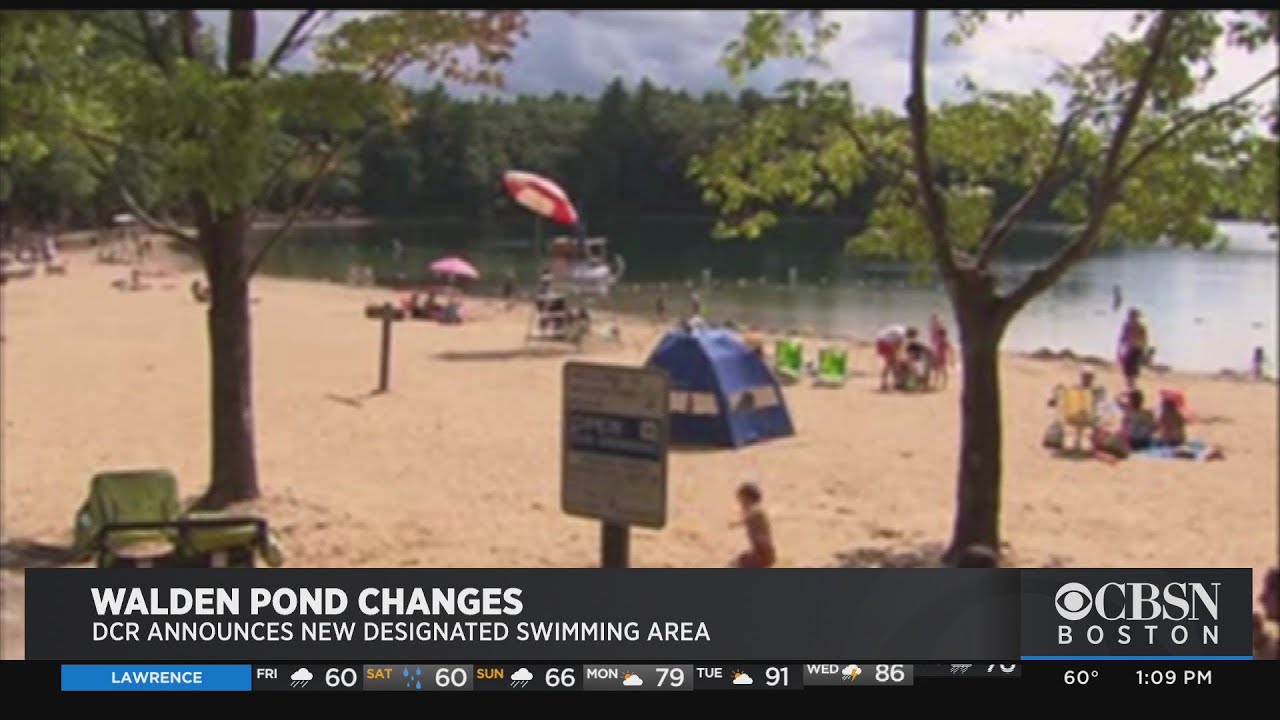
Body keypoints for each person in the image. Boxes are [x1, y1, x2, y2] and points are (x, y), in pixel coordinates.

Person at [730, 482, 775, 568]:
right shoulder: (753, 512)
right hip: (760, 554)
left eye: (741, 499)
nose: (740, 503)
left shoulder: (755, 511)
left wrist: (738, 522)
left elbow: (752, 516)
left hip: (762, 555)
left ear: (748, 498)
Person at [1117, 308, 1150, 391]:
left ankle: (1132, 389)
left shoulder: (1142, 328)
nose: (1132, 318)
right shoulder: (1126, 326)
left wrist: (1144, 355)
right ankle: (1130, 389)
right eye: (1131, 316)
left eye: (1134, 316)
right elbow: (1122, 339)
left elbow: (1144, 342)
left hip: (1137, 351)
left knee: (1133, 374)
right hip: (1128, 350)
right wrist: (1119, 351)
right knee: (1127, 373)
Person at [874, 324, 906, 390]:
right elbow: (897, 346)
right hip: (885, 343)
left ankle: (886, 383)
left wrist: (897, 356)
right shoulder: (902, 335)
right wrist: (897, 357)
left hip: (879, 342)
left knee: (890, 364)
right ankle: (894, 383)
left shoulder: (901, 329)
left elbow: (897, 346)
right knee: (891, 364)